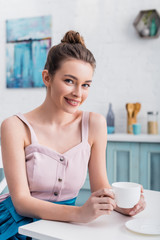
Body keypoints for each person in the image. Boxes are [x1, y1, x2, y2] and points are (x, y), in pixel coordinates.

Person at [0, 30, 146, 239]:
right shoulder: (14, 126)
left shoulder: (95, 124)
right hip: (14, 227)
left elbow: (100, 188)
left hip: (63, 227)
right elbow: (22, 203)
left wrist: (123, 205)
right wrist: (79, 214)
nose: (78, 93)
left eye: (86, 84)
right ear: (47, 77)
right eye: (69, 81)